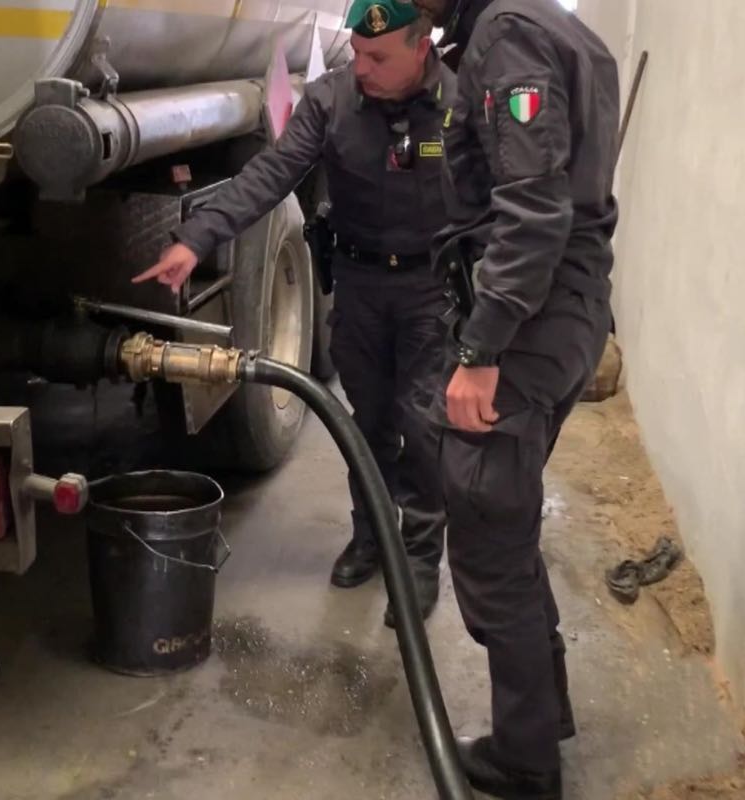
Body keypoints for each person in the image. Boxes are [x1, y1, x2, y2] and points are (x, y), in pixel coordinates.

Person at [133, 0, 453, 627]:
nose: (362, 69)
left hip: (429, 292)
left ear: (422, 48)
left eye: (378, 57)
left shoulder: (460, 106)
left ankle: (419, 556)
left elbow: (495, 205)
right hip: (360, 286)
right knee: (368, 423)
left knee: (425, 427)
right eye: (356, 54)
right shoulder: (332, 100)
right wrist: (197, 237)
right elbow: (272, 172)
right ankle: (371, 538)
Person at [417, 0, 620, 797]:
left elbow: (533, 211)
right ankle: (548, 709)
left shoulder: (508, 37)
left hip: (530, 324)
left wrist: (481, 350)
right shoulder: (554, 27)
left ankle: (527, 761)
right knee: (508, 518)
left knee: (487, 535)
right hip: (565, 310)